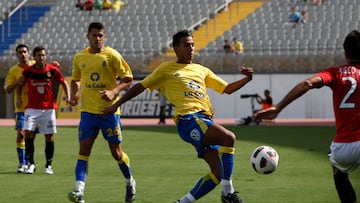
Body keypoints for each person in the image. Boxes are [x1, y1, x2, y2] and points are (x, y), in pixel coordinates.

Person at [102, 30, 254, 203]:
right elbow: (141, 87)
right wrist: (115, 105)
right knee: (229, 138)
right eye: (186, 45)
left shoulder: (201, 70)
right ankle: (228, 194)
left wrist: (247, 79)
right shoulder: (166, 69)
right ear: (176, 48)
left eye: (192, 45)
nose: (191, 48)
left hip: (204, 121)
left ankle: (183, 202)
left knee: (218, 173)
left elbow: (226, 89)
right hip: (189, 120)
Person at [254, 30, 360, 203]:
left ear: (345, 53)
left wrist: (278, 107)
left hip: (344, 146)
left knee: (338, 169)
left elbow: (307, 83)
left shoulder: (335, 72)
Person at [67, 22, 136, 203]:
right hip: (88, 112)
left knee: (116, 153)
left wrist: (114, 91)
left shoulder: (112, 55)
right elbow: (75, 80)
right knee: (84, 151)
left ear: (104, 37)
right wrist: (74, 95)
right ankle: (79, 191)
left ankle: (130, 182)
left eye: (100, 35)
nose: (97, 39)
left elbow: (128, 78)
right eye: (94, 35)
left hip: (109, 112)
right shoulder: (80, 57)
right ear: (88, 36)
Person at [16, 45, 70, 175]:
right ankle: (31, 164)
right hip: (32, 109)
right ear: (34, 57)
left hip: (49, 109)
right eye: (39, 55)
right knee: (29, 134)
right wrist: (18, 98)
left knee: (49, 137)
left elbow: (64, 82)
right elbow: (20, 84)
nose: (42, 57)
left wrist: (68, 97)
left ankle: (48, 165)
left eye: (44, 55)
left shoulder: (52, 70)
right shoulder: (28, 71)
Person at [4, 44, 33, 173]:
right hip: (21, 108)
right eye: (20, 52)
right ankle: (22, 163)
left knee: (30, 136)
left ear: (29, 53)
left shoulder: (34, 66)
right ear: (17, 55)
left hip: (35, 107)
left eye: (25, 52)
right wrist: (17, 82)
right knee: (21, 133)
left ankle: (30, 163)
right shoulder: (13, 71)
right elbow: (8, 90)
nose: (23, 54)